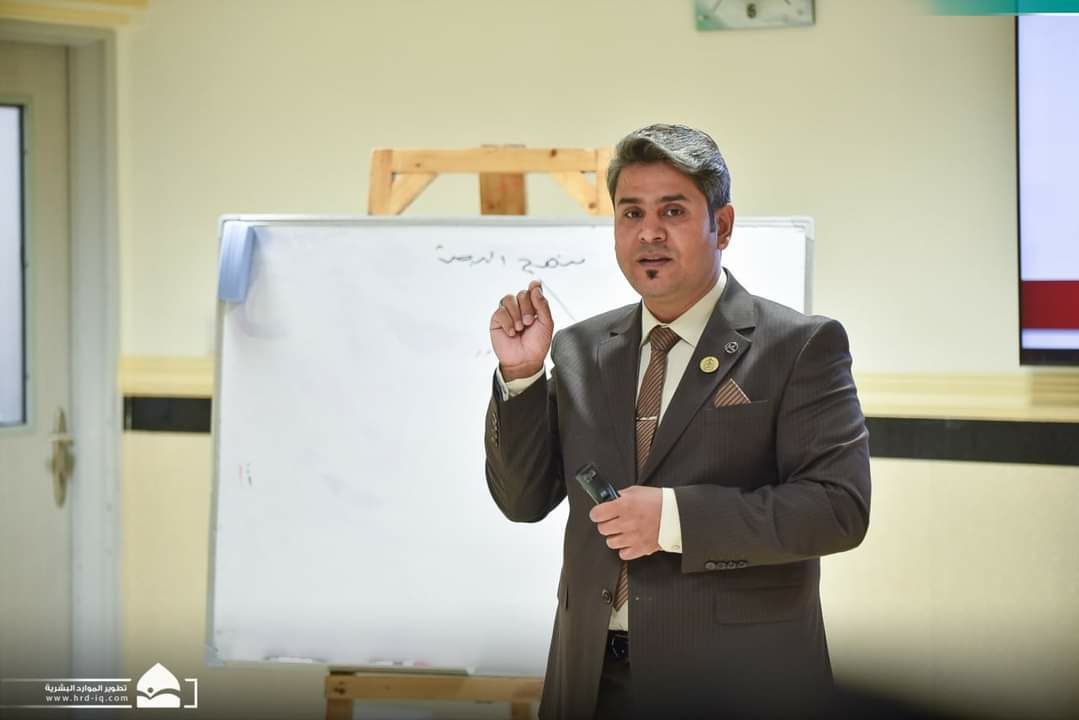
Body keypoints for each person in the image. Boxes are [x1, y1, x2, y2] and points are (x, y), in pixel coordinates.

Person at [484, 123, 871, 720]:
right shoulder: (581, 350)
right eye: (631, 213)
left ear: (722, 225)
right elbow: (523, 500)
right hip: (590, 681)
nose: (649, 233)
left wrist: (673, 519)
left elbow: (837, 509)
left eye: (673, 211)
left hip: (735, 685)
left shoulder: (798, 346)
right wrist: (522, 377)